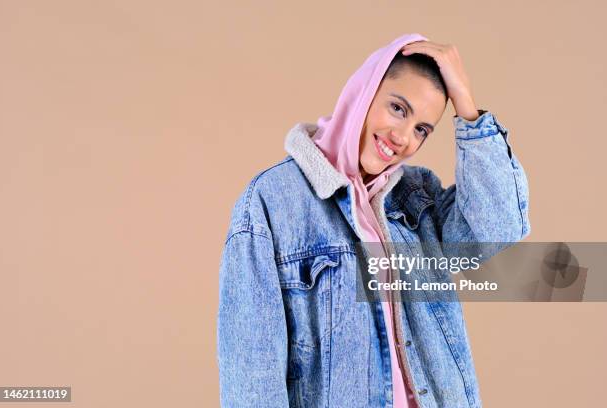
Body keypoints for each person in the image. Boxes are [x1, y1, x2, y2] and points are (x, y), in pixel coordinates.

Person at [217, 33, 530, 408]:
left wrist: (468, 110)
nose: (403, 138)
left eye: (422, 130)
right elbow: (252, 376)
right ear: (364, 92)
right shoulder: (273, 202)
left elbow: (498, 230)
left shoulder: (418, 198)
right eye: (398, 108)